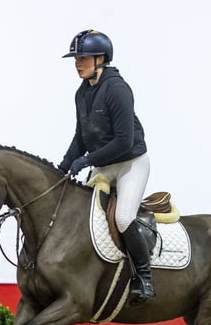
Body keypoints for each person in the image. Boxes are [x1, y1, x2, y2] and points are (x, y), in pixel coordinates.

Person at [58, 29, 155, 306]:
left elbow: (124, 143)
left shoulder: (117, 89)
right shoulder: (82, 93)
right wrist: (63, 168)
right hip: (103, 165)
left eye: (83, 58)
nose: (77, 63)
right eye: (76, 58)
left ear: (101, 58)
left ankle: (145, 279)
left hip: (129, 164)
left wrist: (86, 161)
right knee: (81, 217)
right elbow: (81, 137)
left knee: (123, 218)